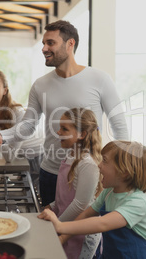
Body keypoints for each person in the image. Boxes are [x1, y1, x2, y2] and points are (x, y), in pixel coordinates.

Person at [0, 20, 128, 206]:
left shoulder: (99, 79)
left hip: (89, 174)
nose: (44, 48)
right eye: (44, 43)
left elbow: (119, 126)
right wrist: (0, 135)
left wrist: (121, 166)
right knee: (51, 230)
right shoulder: (40, 85)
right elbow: (28, 125)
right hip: (50, 172)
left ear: (70, 44)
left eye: (50, 43)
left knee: (86, 233)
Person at [38, 141, 146, 259]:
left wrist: (59, 225)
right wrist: (63, 237)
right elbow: (85, 214)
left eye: (104, 161)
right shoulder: (108, 192)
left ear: (124, 172)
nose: (99, 165)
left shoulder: (138, 202)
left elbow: (103, 223)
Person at [0, 69, 44, 188]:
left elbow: (9, 157)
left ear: (5, 90)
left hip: (36, 158)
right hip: (20, 158)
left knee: (36, 200)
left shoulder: (17, 113)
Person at [46, 108, 103, 259]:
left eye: (64, 129)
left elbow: (80, 204)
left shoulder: (87, 163)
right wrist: (51, 206)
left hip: (81, 233)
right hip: (66, 225)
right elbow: (64, 195)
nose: (58, 132)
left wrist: (57, 224)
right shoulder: (70, 155)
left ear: (82, 134)